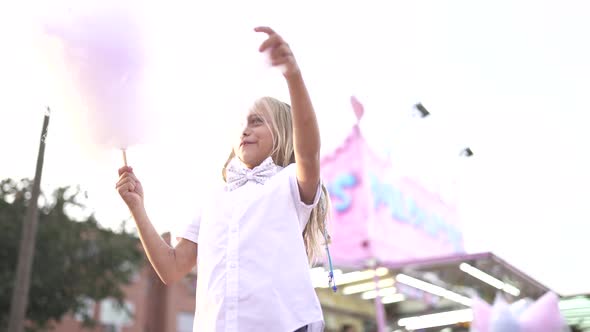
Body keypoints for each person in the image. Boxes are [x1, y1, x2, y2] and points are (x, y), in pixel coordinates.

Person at [116, 26, 332, 332]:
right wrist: (137, 207)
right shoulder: (212, 196)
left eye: (256, 122)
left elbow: (309, 151)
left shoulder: (289, 184)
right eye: (242, 123)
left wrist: (292, 75)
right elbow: (172, 268)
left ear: (284, 133)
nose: (245, 129)